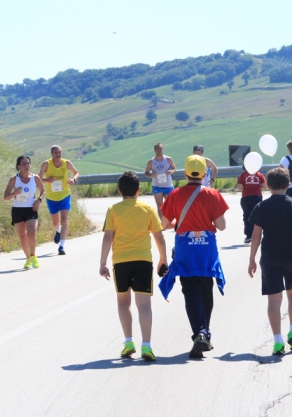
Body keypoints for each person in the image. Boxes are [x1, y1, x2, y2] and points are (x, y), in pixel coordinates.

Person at [158, 155, 229, 359]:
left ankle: (200, 333)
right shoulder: (213, 194)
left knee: (190, 290)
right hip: (207, 249)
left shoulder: (175, 195)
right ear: (205, 174)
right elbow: (222, 226)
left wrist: (179, 223)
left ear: (185, 173)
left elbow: (164, 224)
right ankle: (204, 333)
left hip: (185, 249)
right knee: (206, 288)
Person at [99, 171, 168, 362]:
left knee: (123, 302)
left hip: (121, 261)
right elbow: (159, 236)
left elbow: (107, 236)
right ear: (139, 190)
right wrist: (163, 259)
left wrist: (102, 263)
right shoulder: (147, 209)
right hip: (143, 260)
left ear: (119, 190)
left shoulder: (113, 209)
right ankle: (147, 345)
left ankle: (128, 342)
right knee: (144, 305)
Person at [248, 168, 292, 355]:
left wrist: (251, 260)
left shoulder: (262, 206)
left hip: (270, 257)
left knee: (274, 299)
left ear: (268, 185)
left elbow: (256, 236)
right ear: (288, 184)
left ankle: (277, 341)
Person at [3, 155, 45, 269]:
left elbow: (43, 191)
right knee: (22, 237)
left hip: (31, 209)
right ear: (19, 166)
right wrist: (14, 193)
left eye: (28, 163)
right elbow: (5, 196)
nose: (27, 166)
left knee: (31, 233)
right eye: (24, 164)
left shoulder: (35, 178)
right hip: (17, 210)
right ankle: (27, 259)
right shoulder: (14, 179)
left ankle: (33, 256)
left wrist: (39, 200)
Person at [38, 145, 79, 255]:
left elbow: (76, 173)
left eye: (60, 152)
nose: (58, 154)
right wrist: (48, 180)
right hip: (51, 197)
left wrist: (73, 179)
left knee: (64, 220)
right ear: (52, 154)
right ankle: (58, 230)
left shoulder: (66, 163)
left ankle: (61, 246)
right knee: (55, 223)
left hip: (65, 195)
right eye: (56, 152)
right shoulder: (46, 164)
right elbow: (38, 179)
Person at [144, 143, 176, 220]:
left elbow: (174, 168)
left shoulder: (168, 159)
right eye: (157, 148)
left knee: (171, 205)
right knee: (159, 205)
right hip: (157, 186)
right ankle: (162, 222)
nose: (159, 150)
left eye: (160, 148)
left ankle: (170, 220)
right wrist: (151, 175)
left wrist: (171, 172)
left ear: (163, 149)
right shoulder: (151, 161)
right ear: (154, 150)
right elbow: (146, 173)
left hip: (168, 185)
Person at [236, 166, 266, 243]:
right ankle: (257, 235)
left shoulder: (242, 175)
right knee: (257, 216)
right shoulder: (259, 175)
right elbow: (265, 186)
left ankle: (248, 235)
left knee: (246, 216)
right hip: (257, 197)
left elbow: (239, 188)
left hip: (246, 197)